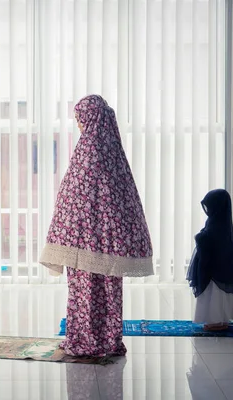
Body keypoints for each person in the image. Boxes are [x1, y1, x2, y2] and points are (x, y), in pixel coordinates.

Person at [39, 94, 154, 357]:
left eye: (80, 119)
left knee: (85, 293)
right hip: (109, 243)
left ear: (90, 119)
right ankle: (109, 341)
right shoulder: (114, 153)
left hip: (84, 241)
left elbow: (74, 197)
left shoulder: (88, 151)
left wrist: (63, 233)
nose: (79, 125)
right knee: (109, 294)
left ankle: (85, 342)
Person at [187, 189, 233, 331]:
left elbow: (209, 240)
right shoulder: (220, 222)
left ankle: (215, 321)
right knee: (218, 295)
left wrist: (200, 237)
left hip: (213, 271)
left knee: (214, 295)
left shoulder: (217, 224)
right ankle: (221, 319)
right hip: (218, 269)